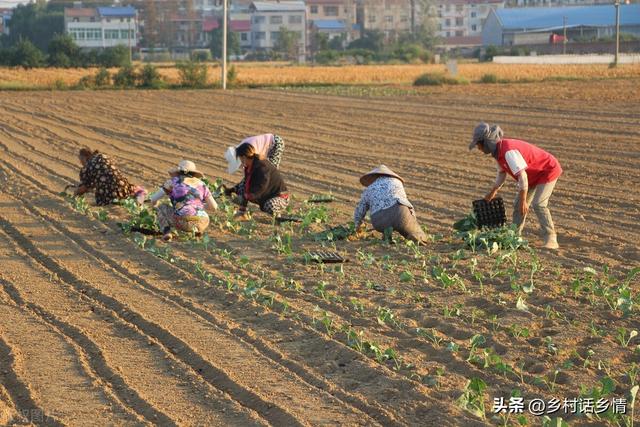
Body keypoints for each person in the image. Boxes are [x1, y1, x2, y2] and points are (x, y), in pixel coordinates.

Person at [469, 122, 562, 249]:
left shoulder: (507, 152)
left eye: (478, 145)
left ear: (486, 142)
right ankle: (515, 237)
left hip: (547, 170)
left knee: (538, 204)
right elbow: (502, 173)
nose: (478, 148)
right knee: (518, 205)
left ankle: (551, 238)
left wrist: (524, 201)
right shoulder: (498, 153)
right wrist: (493, 192)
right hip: (532, 176)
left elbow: (522, 176)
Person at [354, 165, 427, 243]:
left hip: (379, 221)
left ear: (374, 177)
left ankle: (386, 234)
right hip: (401, 214)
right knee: (411, 230)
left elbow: (359, 211)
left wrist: (358, 225)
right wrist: (413, 219)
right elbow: (405, 201)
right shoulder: (397, 182)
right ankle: (414, 236)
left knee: (387, 223)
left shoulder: (369, 189)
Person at [149, 160, 218, 241]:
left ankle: (167, 232)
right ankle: (197, 230)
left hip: (181, 221)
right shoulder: (202, 184)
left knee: (162, 207)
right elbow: (214, 207)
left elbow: (153, 198)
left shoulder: (172, 182)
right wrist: (198, 206)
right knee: (200, 214)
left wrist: (155, 205)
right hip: (203, 221)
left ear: (178, 171)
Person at [233, 143, 289, 219]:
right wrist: (242, 210)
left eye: (240, 158)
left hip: (280, 197)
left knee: (269, 206)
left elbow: (262, 186)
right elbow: (247, 185)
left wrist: (249, 195)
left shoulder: (262, 167)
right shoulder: (250, 166)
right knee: (242, 188)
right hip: (267, 194)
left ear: (244, 157)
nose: (240, 161)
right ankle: (243, 211)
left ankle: (277, 216)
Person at [74, 148, 146, 206]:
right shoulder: (102, 156)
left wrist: (76, 193)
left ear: (84, 158)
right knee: (139, 189)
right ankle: (140, 200)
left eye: (80, 160)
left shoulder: (85, 169)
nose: (81, 163)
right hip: (123, 188)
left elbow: (84, 188)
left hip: (106, 198)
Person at [224, 133, 285, 198]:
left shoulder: (249, 149)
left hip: (275, 143)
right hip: (270, 143)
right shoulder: (241, 148)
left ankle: (273, 196)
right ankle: (236, 190)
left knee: (270, 172)